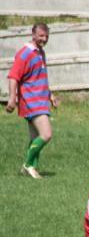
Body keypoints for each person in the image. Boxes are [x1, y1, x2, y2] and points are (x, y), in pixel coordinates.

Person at [6, 23, 58, 179]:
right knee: (46, 134)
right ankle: (28, 164)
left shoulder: (40, 53)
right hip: (32, 102)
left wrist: (50, 95)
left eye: (46, 36)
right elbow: (14, 77)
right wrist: (12, 98)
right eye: (41, 36)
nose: (44, 39)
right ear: (33, 35)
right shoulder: (24, 54)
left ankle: (31, 168)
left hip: (41, 100)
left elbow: (38, 77)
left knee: (35, 138)